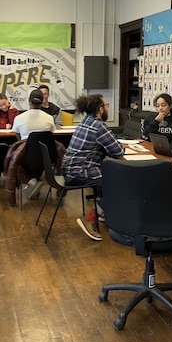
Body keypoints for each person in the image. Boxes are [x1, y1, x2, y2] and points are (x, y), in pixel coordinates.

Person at [62, 94, 124, 242]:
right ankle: (90, 219)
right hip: (80, 173)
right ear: (101, 109)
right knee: (119, 183)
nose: (107, 107)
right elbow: (118, 151)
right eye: (106, 105)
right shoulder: (99, 125)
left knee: (108, 176)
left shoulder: (86, 121)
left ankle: (103, 211)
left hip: (69, 170)